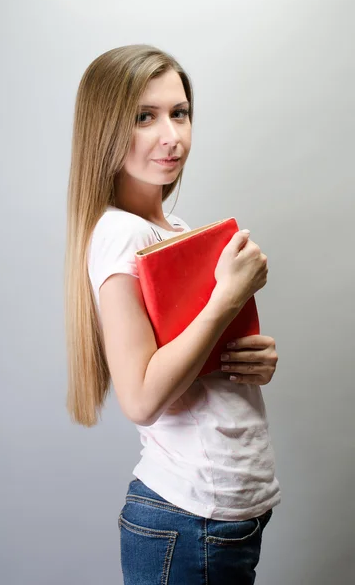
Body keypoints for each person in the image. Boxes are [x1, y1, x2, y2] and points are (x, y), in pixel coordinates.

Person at [64, 44, 281, 585]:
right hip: (187, 518)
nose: (172, 135)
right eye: (145, 117)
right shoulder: (121, 234)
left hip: (217, 516)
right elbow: (140, 397)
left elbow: (186, 361)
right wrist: (227, 297)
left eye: (179, 113)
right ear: (105, 131)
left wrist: (248, 360)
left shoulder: (174, 230)